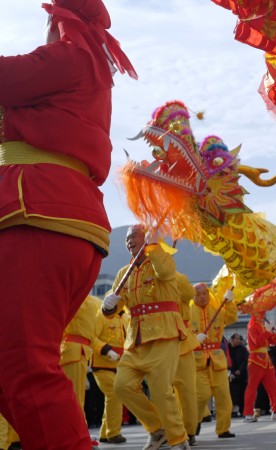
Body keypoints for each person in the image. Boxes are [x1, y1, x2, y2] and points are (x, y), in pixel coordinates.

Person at [0, 0, 136, 447]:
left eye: (50, 21)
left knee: (24, 365)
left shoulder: (73, 57)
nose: (46, 32)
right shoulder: (73, 76)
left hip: (39, 215)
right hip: (49, 216)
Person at [104, 225, 191, 450]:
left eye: (133, 236)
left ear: (146, 238)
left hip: (164, 334)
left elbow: (165, 272)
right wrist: (108, 306)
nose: (129, 241)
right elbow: (116, 304)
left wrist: (154, 245)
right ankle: (157, 429)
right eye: (126, 239)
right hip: (136, 339)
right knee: (122, 386)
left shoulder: (162, 260)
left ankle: (179, 439)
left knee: (162, 390)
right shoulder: (124, 273)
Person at [189, 284, 238, 439]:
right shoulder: (188, 312)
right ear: (193, 296)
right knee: (201, 395)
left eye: (205, 293)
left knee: (223, 396)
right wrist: (193, 340)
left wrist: (229, 302)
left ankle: (223, 429)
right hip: (197, 361)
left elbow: (232, 318)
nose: (202, 296)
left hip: (217, 359)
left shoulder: (218, 309)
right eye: (199, 294)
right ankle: (193, 423)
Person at [91, 297, 129, 444]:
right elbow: (92, 337)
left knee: (112, 397)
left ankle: (105, 433)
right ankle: (113, 433)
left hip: (119, 364)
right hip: (101, 363)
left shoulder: (125, 318)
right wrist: (106, 350)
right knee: (114, 394)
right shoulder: (100, 315)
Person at [60, 295, 101, 424]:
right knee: (76, 399)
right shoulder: (88, 301)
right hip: (76, 352)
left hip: (72, 351)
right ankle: (80, 436)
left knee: (74, 398)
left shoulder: (69, 298)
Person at [173, 273, 201, 446]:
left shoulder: (177, 278)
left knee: (187, 392)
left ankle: (189, 431)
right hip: (156, 341)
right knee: (161, 392)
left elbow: (190, 294)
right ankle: (164, 430)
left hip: (180, 341)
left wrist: (170, 274)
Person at [243, 314, 276, 422]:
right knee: (252, 387)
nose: (263, 314)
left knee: (274, 387)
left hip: (266, 360)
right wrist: (268, 331)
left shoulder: (262, 325)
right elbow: (257, 342)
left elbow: (272, 342)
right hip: (256, 360)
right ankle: (248, 413)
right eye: (261, 312)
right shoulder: (251, 326)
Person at [228, 333, 249, 418]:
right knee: (233, 392)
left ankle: (243, 410)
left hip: (242, 373)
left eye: (239, 339)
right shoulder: (228, 348)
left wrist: (239, 370)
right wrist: (232, 372)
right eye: (237, 339)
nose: (238, 340)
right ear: (232, 340)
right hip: (231, 374)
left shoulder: (243, 348)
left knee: (243, 391)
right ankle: (234, 410)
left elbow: (245, 360)